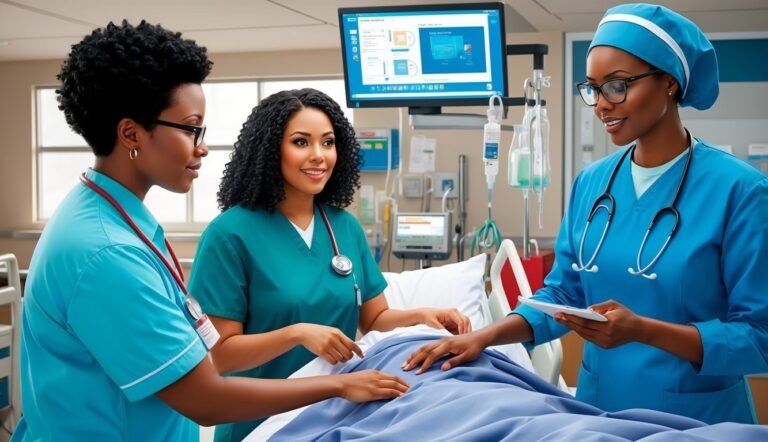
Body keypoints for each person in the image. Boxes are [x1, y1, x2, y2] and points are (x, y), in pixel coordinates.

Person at [14, 21, 409, 442]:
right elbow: (207, 398)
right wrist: (340, 384)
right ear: (131, 133)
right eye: (190, 128)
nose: (201, 146)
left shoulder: (113, 219)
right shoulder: (107, 253)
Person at [403, 3, 768, 425]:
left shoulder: (740, 191)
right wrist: (483, 338)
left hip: (696, 418)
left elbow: (759, 336)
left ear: (669, 82)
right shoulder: (593, 184)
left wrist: (643, 331)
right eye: (593, 88)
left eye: (617, 86)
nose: (600, 105)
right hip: (597, 410)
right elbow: (563, 295)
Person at [188, 88, 471, 441]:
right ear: (269, 148)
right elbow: (221, 356)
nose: (319, 156)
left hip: (338, 410)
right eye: (301, 142)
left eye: (328, 142)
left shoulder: (343, 226)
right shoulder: (230, 234)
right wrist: (298, 334)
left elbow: (374, 320)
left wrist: (422, 316)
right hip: (261, 421)